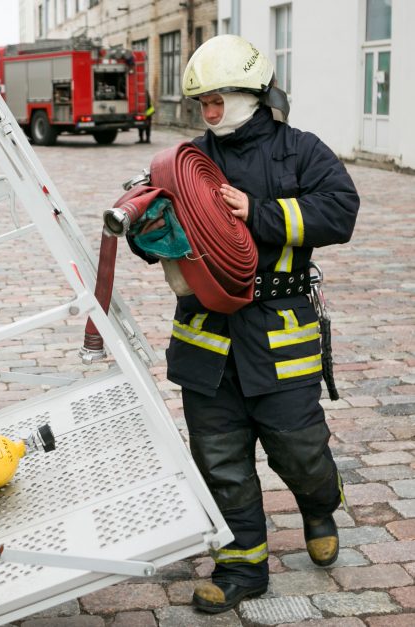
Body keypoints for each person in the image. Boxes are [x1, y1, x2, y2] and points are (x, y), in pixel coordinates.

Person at [129, 35, 359, 614]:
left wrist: (256, 212)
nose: (208, 113)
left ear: (252, 94)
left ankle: (318, 505)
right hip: (206, 338)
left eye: (218, 100)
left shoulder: (301, 151)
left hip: (280, 333)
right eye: (201, 102)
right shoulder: (186, 161)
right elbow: (157, 237)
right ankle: (241, 567)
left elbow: (340, 210)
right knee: (220, 459)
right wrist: (146, 230)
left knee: (300, 450)